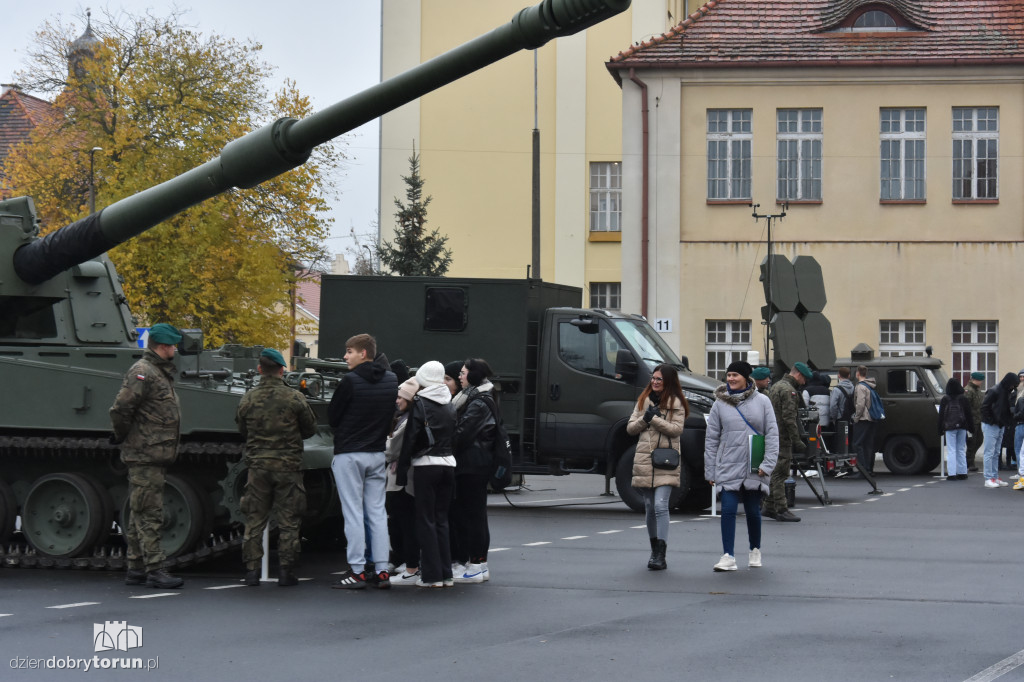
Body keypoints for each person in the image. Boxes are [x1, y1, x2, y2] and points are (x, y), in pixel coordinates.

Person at [109, 323, 185, 589]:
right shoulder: (143, 372)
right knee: (150, 513)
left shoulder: (158, 372)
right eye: (173, 345)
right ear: (162, 347)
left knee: (140, 510)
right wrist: (124, 436)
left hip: (153, 452)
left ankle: (136, 568)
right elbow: (120, 408)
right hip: (145, 452)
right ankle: (155, 569)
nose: (175, 349)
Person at [236, 348, 318, 587]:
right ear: (282, 370)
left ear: (260, 370)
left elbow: (242, 429)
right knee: (289, 520)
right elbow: (310, 429)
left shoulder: (248, 398)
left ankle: (252, 571)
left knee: (255, 518)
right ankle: (286, 571)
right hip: (287, 467)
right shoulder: (294, 398)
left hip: (258, 466)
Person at [328, 333, 398, 589]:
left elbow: (333, 418)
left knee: (353, 513)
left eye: (349, 351)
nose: (345, 356)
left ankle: (357, 570)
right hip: (376, 453)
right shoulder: (391, 380)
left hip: (349, 454)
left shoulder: (350, 381)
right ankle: (381, 570)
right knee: (377, 513)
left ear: (363, 353)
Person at [704, 360, 779, 572]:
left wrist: (768, 463)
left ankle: (755, 549)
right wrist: (710, 470)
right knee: (727, 509)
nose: (730, 379)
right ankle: (728, 555)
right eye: (728, 375)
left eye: (735, 375)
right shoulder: (719, 403)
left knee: (753, 511)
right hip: (728, 464)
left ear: (747, 378)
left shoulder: (763, 401)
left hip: (754, 465)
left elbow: (772, 435)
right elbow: (711, 440)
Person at [397, 361, 458, 588]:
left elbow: (411, 438)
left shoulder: (421, 403)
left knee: (425, 520)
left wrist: (402, 469)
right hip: (448, 463)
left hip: (426, 465)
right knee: (441, 519)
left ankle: (431, 576)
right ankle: (446, 573)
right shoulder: (450, 403)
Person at [625, 364, 688, 571]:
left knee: (661, 505)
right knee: (650, 506)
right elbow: (630, 428)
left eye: (659, 379)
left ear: (668, 381)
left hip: (666, 460)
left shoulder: (676, 402)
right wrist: (645, 418)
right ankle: (654, 549)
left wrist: (656, 419)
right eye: (653, 378)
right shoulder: (643, 400)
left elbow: (676, 430)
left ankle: (661, 554)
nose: (655, 381)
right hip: (644, 460)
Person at [451, 358, 496, 584]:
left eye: (463, 372)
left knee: (473, 516)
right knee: (474, 514)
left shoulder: (478, 402)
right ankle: (476, 564)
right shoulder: (479, 397)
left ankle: (477, 565)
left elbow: (462, 434)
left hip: (473, 465)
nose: (460, 376)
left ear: (474, 375)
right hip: (476, 463)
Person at [763, 362, 811, 522]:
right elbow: (789, 418)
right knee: (780, 473)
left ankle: (769, 507)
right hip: (782, 437)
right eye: (804, 379)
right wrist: (797, 440)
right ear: (799, 375)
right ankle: (782, 509)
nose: (804, 383)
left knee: (774, 471)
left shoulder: (776, 386)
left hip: (772, 434)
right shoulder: (789, 391)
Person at [386, 378, 421, 585]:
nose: (397, 401)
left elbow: (391, 450)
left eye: (401, 397)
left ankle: (409, 563)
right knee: (398, 521)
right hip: (400, 477)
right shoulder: (405, 417)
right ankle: (402, 559)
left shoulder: (407, 421)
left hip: (401, 478)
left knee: (403, 522)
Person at [980, 372, 1018, 488]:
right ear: (1008, 383)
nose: (1013, 387)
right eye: (1012, 385)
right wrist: (991, 420)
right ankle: (988, 478)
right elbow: (984, 407)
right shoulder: (995, 390)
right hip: (992, 425)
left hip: (999, 425)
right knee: (990, 452)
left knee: (996, 453)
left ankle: (994, 477)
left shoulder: (1004, 391)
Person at [938, 377, 973, 482]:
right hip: (962, 426)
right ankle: (962, 472)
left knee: (951, 450)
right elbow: (968, 414)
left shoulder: (945, 399)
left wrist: (940, 428)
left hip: (949, 427)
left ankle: (952, 474)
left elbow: (941, 416)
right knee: (961, 449)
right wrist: (971, 427)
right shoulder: (963, 398)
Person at [852, 365, 878, 476]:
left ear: (858, 373)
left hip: (863, 418)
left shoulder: (860, 387)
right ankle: (869, 469)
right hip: (872, 418)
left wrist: (856, 418)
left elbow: (860, 404)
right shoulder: (870, 385)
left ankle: (862, 470)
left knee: (857, 444)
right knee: (868, 444)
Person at [829, 367, 856, 452]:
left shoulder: (837, 390)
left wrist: (834, 417)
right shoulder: (854, 388)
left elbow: (833, 406)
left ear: (838, 376)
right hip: (852, 419)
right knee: (850, 440)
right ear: (849, 376)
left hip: (840, 419)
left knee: (840, 441)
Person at [964, 372, 985, 473]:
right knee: (971, 443)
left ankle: (968, 459)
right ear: (975, 380)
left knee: (979, 440)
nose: (981, 382)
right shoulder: (968, 390)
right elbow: (966, 407)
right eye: (980, 380)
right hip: (971, 421)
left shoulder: (977, 390)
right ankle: (970, 463)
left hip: (978, 420)